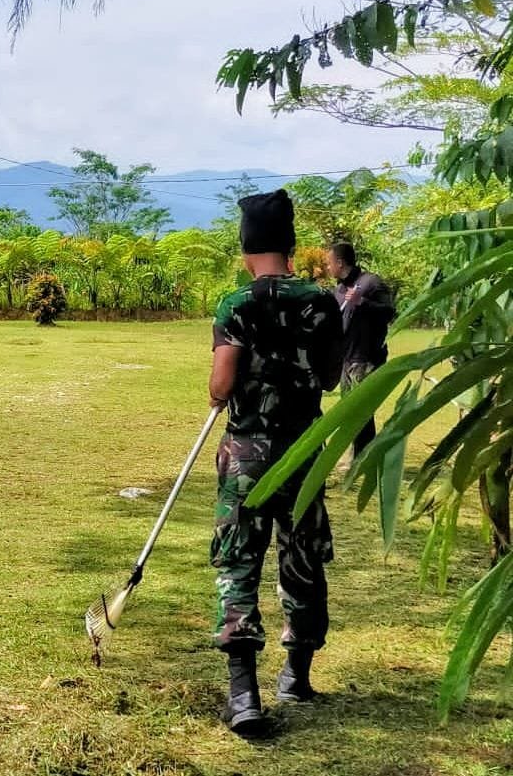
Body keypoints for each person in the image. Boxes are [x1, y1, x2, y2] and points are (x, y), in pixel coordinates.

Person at [208, 190, 343, 735]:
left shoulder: (236, 304)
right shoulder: (321, 302)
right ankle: (296, 675)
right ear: (290, 245)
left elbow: (221, 385)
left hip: (247, 453)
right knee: (302, 557)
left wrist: (229, 388)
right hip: (304, 452)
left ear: (246, 250)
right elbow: (330, 378)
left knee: (239, 561)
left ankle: (243, 695)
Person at [326, 242, 396, 462]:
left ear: (339, 262)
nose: (327, 267)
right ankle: (359, 455)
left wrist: (362, 302)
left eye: (329, 263)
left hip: (366, 358)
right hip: (345, 360)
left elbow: (389, 313)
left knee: (361, 411)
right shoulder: (338, 290)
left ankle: (362, 458)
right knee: (350, 411)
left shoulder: (371, 283)